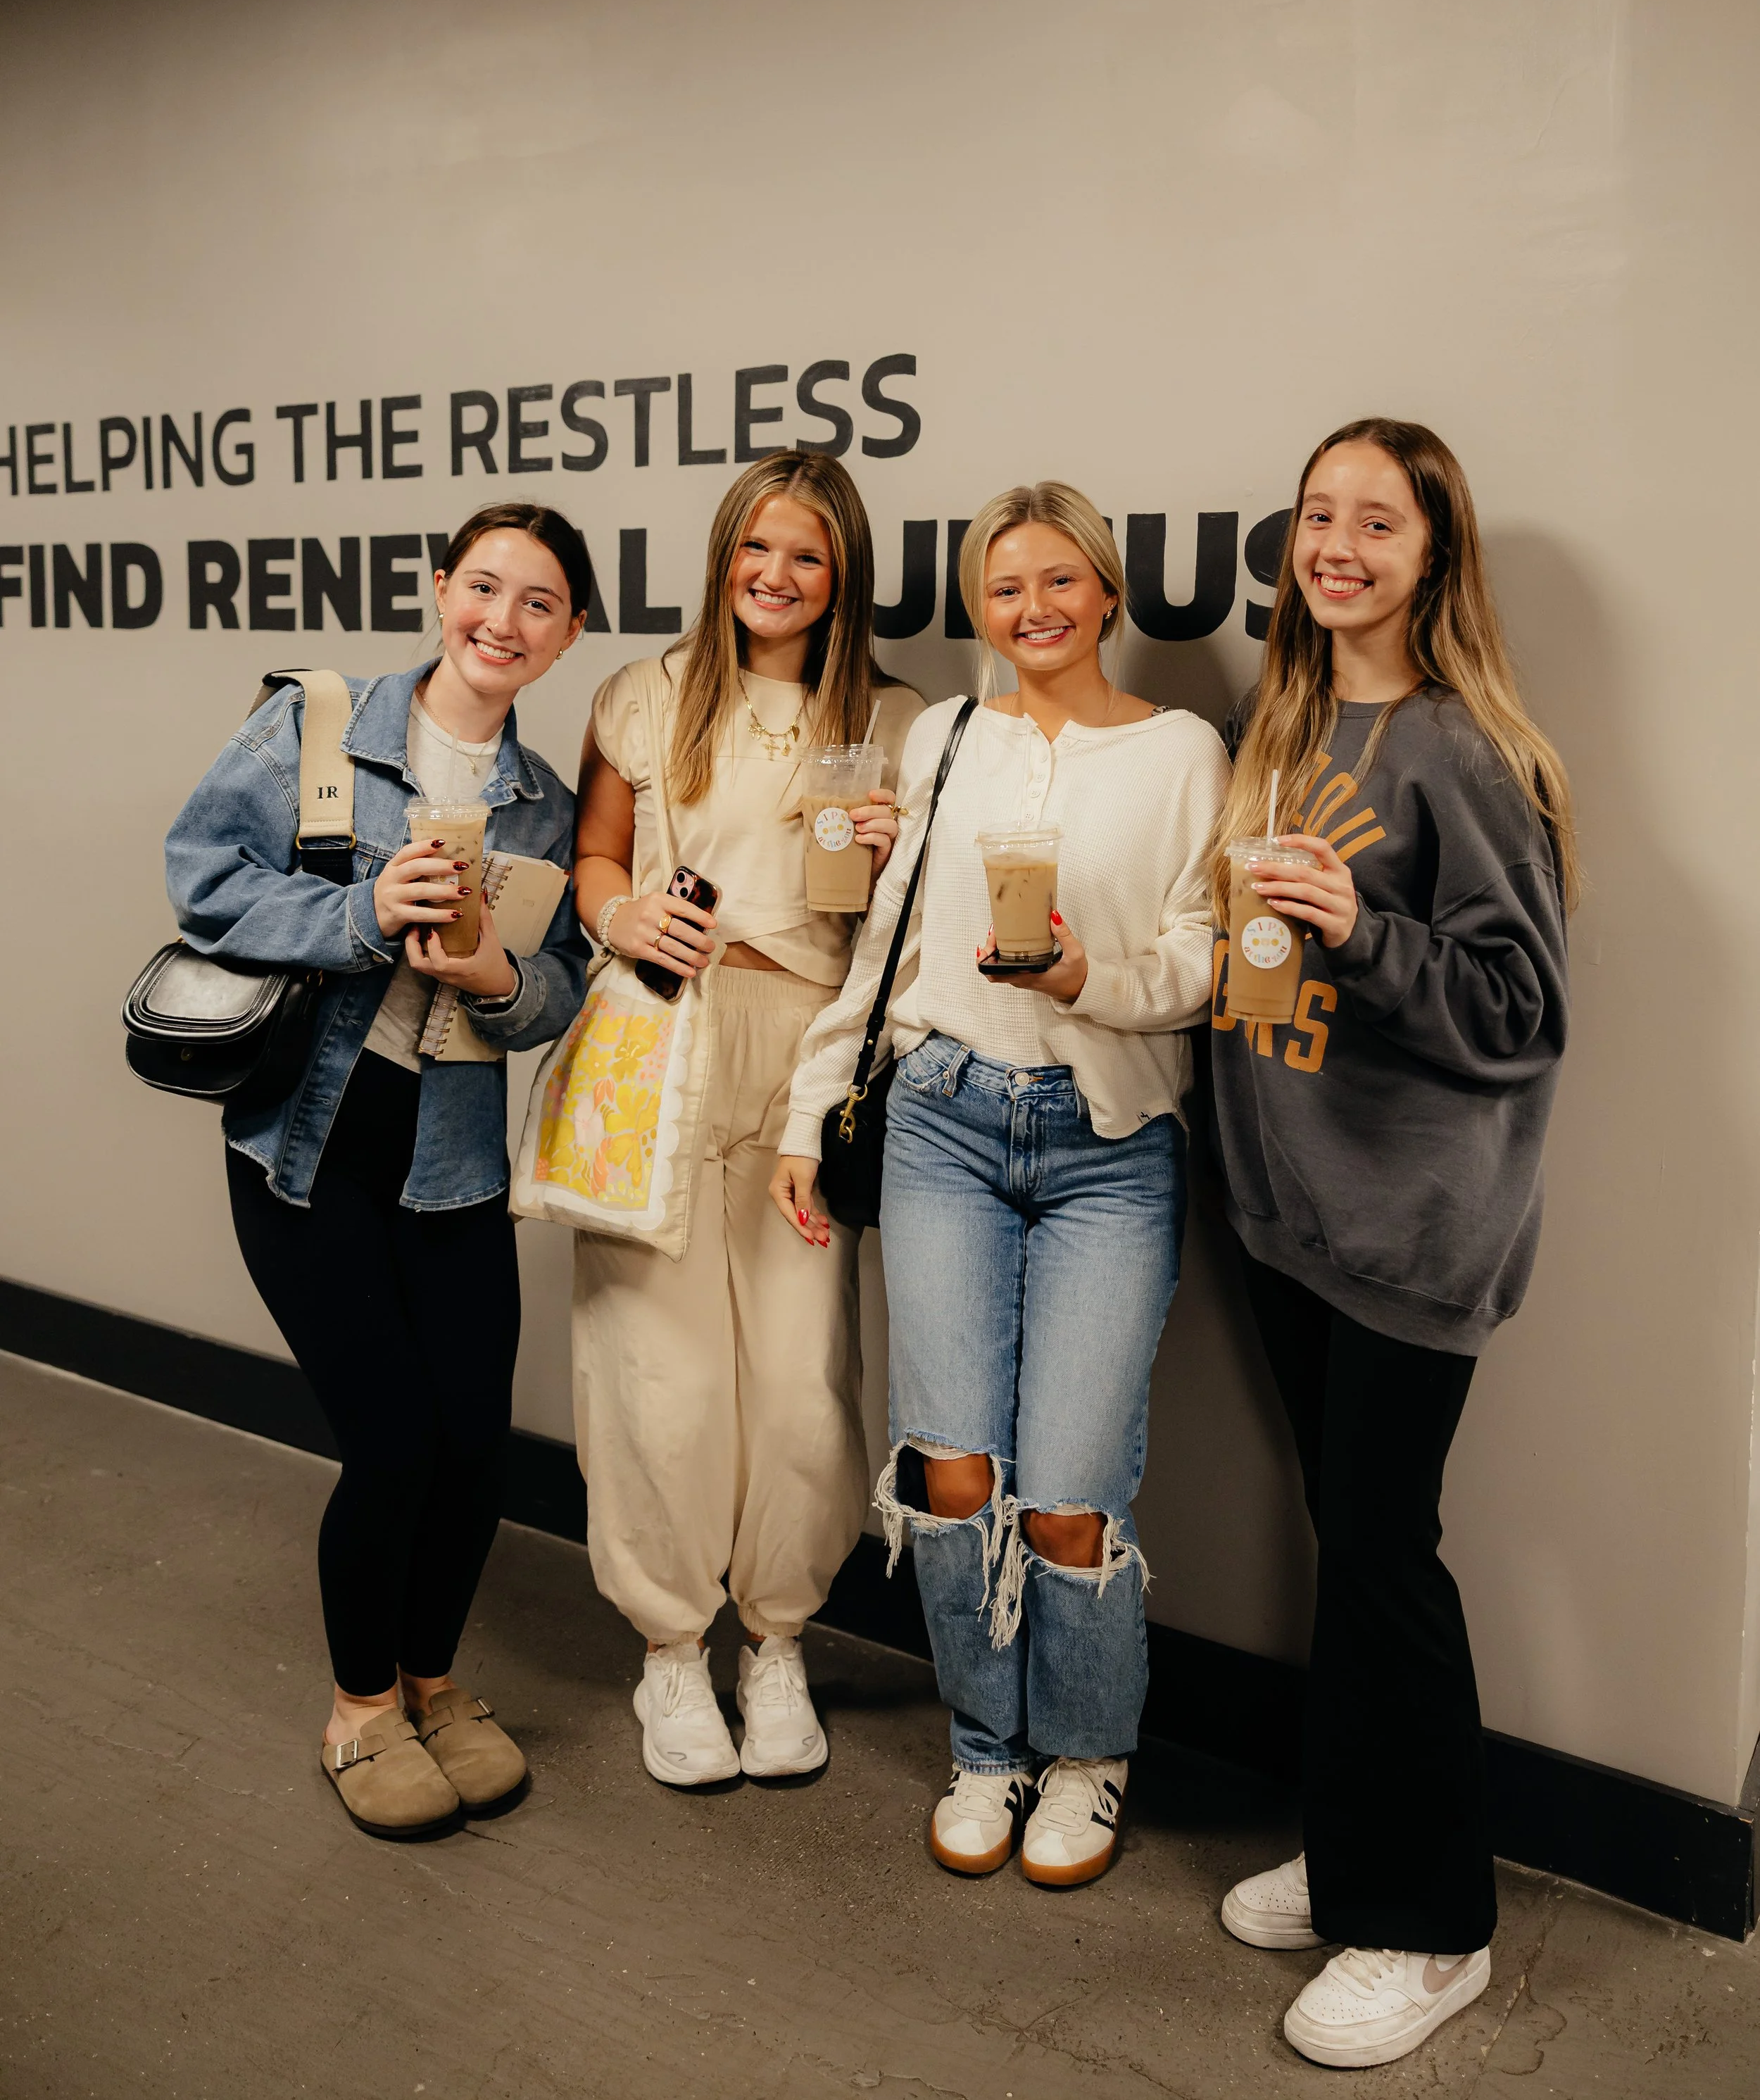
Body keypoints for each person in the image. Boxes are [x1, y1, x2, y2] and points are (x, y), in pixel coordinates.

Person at [773, 482, 1229, 1885]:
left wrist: (1093, 978)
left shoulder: (1180, 751)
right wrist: (808, 1112)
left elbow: (1208, 954)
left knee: (1073, 1495)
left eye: (1056, 582)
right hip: (940, 1122)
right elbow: (881, 950)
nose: (1030, 609)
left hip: (1108, 1143)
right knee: (955, 1471)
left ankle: (1085, 1759)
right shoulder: (940, 741)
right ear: (979, 608)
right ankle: (987, 1747)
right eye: (1001, 587)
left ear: (1104, 592)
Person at [1208, 419, 1573, 2070]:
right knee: (1345, 1556)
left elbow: (1520, 1008)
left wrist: (1364, 934)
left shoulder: (1457, 746)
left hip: (1411, 1236)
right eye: (1318, 514)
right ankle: (1359, 1847)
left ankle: (1430, 1926)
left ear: (1433, 556)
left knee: (1381, 1562)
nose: (1338, 542)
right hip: (1292, 1220)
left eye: (1379, 521)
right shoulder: (1285, 722)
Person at [165, 502, 595, 1839]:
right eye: (483, 587)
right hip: (307, 1146)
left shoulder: (546, 805)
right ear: (438, 588)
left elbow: (560, 992)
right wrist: (360, 913)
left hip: (450, 1159)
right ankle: (361, 1707)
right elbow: (201, 878)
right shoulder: (318, 724)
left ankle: (435, 1680)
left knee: (474, 1449)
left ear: (570, 631)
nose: (502, 621)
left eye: (538, 603)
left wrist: (502, 976)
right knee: (395, 1441)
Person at [572, 451, 924, 1787]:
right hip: (655, 1036)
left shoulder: (899, 721)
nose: (776, 578)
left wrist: (900, 858)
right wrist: (618, 908)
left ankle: (777, 1641)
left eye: (808, 557)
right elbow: (600, 852)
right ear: (722, 555)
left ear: (846, 578)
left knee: (797, 1381)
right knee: (658, 1373)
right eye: (755, 550)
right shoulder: (645, 694)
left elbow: (908, 927)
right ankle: (672, 1651)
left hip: (811, 1058)